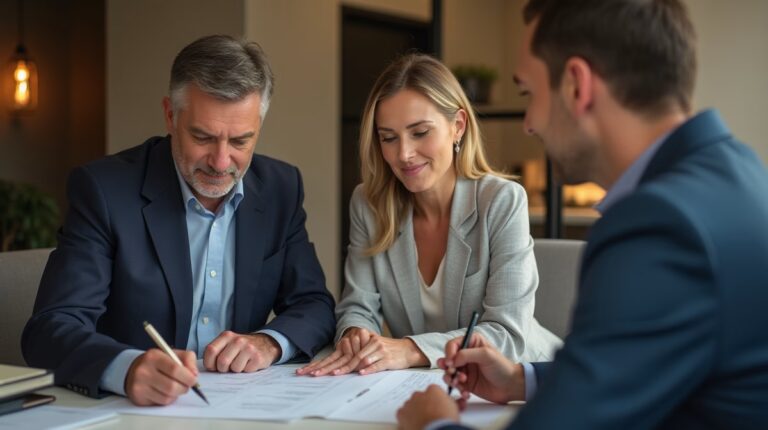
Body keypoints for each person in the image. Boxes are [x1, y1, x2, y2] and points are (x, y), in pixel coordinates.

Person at [397, 0, 768, 429]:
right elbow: (642, 357)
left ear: (576, 86)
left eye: (529, 95)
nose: (529, 124)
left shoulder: (659, 224)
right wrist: (522, 379)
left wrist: (433, 424)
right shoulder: (735, 172)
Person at [22, 35, 336, 406]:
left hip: (242, 407)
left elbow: (314, 304)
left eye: (240, 141)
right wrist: (126, 368)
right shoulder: (104, 191)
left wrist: (268, 342)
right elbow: (49, 329)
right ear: (171, 115)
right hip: (131, 412)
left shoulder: (280, 188)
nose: (221, 162)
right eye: (203, 137)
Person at [298, 54, 560, 378]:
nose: (404, 154)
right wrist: (356, 335)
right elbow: (357, 306)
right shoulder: (368, 204)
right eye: (388, 138)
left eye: (420, 132)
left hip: (522, 380)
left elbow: (507, 334)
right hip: (423, 383)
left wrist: (408, 349)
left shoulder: (501, 202)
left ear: (457, 127)